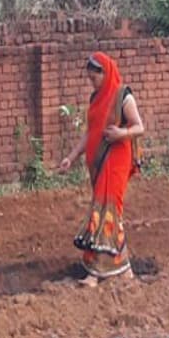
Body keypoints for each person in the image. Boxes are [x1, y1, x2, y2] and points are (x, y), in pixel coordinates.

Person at [56, 52, 145, 286]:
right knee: (109, 213)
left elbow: (139, 127)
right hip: (98, 164)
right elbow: (90, 133)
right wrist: (72, 157)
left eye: (94, 78)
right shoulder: (96, 98)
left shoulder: (123, 96)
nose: (91, 83)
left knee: (106, 211)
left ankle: (96, 273)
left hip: (116, 161)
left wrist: (121, 134)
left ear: (104, 73)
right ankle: (124, 270)